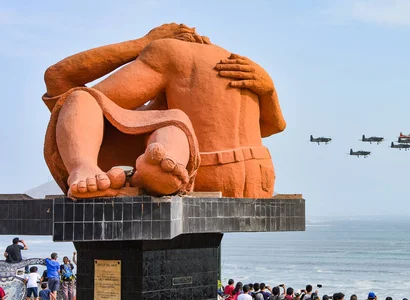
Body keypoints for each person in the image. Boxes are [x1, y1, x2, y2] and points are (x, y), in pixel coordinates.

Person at [43, 23, 286, 199]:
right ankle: (156, 173)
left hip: (202, 176)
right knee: (173, 124)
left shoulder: (169, 53)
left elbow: (61, 80)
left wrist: (142, 43)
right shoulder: (246, 67)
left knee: (79, 99)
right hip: (259, 180)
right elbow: (273, 126)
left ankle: (86, 169)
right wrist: (270, 91)